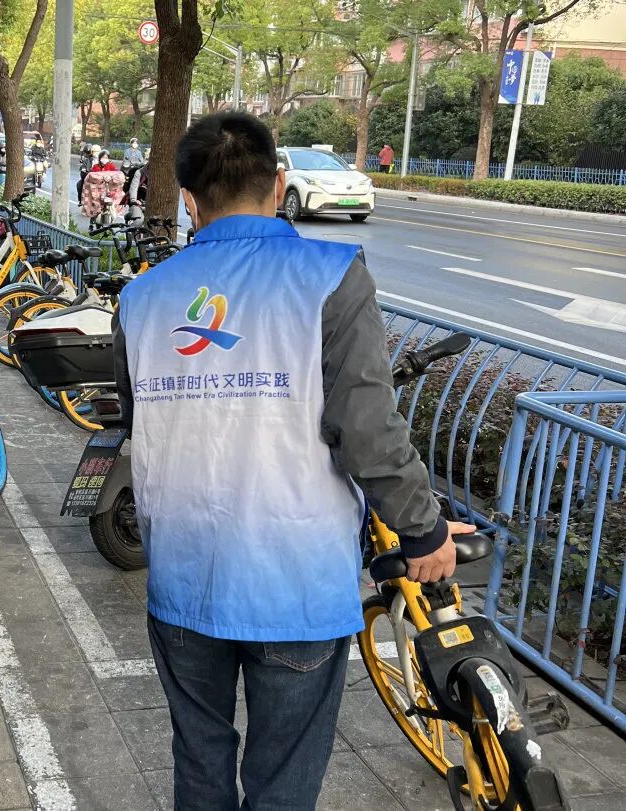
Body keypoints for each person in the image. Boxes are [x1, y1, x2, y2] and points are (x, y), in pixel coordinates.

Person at [111, 112, 473, 810]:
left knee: (200, 760)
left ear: (188, 199)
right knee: (283, 782)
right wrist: (423, 530)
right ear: (279, 184)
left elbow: (139, 420)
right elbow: (368, 429)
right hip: (295, 587)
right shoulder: (331, 278)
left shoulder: (141, 299)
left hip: (183, 577)